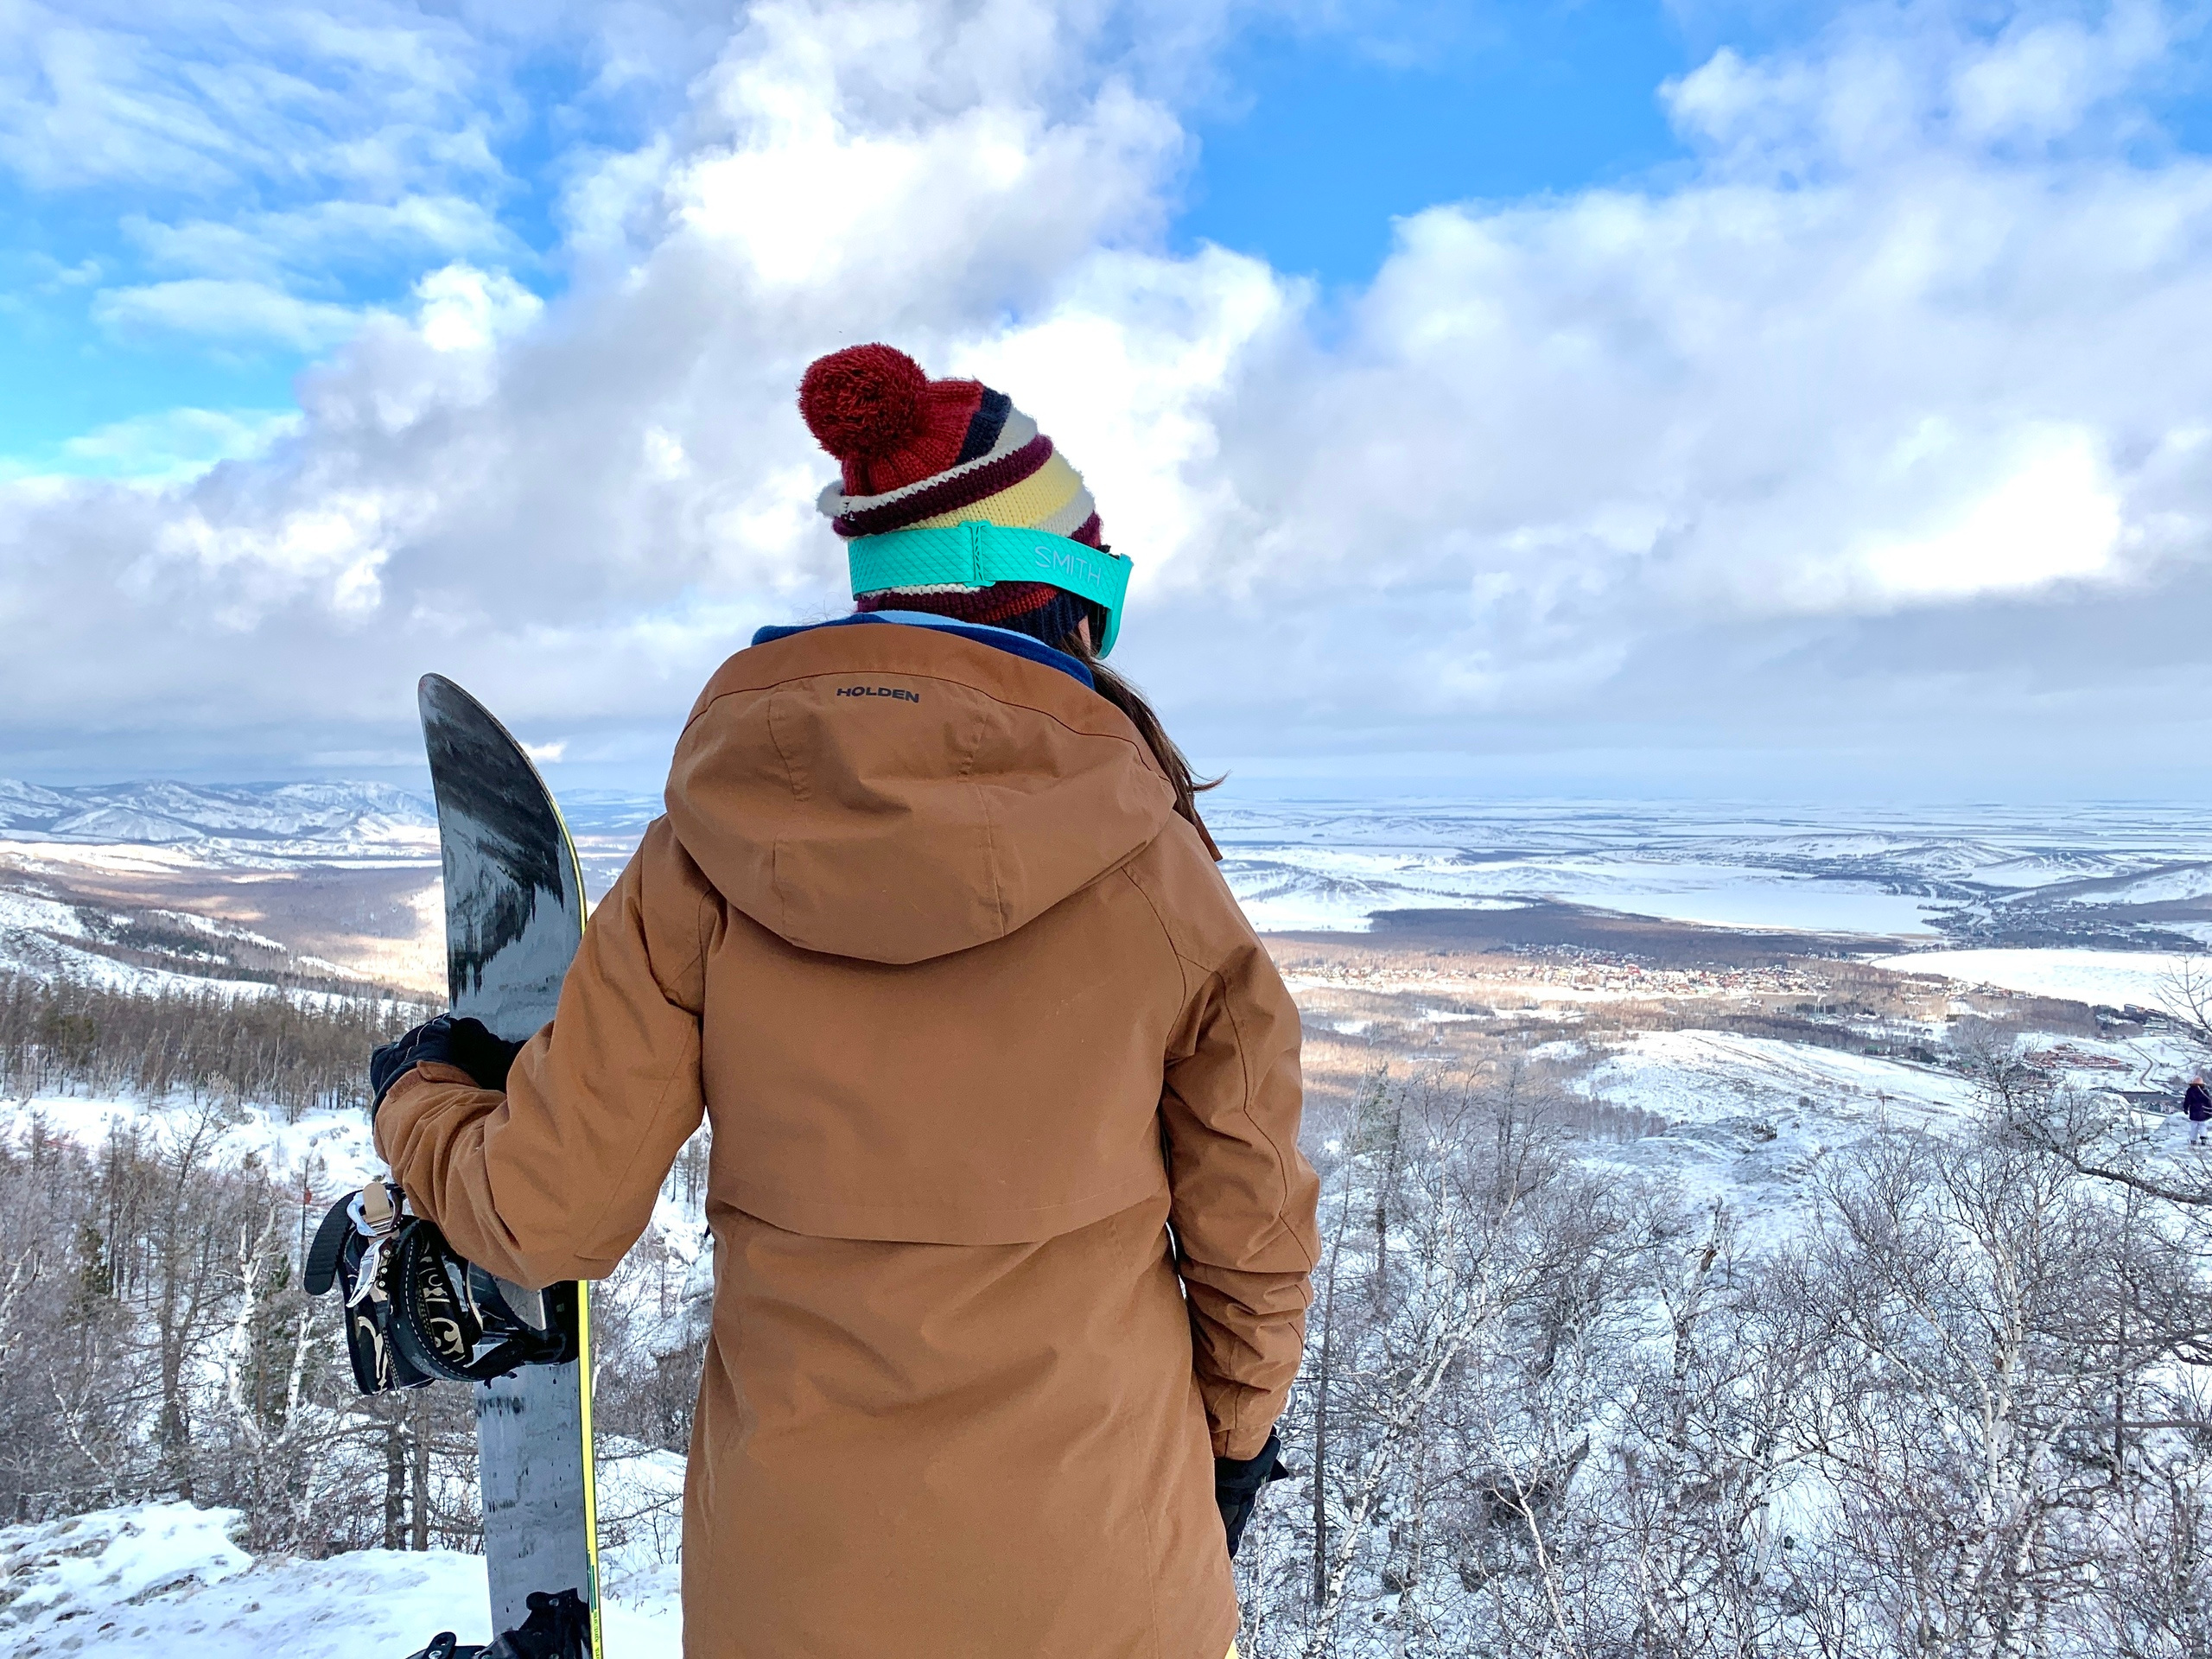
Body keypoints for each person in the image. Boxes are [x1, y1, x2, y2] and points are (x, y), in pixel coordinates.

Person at [369, 344, 1322, 1659]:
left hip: (795, 1584)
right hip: (1104, 1567)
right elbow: (1252, 1237)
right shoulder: (1162, 879)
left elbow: (546, 1213)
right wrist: (1226, 1450)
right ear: (1064, 600)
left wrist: (420, 1097)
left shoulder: (706, 848)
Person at [2187, 1073, 2211, 1147]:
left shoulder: (2190, 1091)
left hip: (2193, 1111)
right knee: (2203, 1125)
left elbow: (2187, 1100)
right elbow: (2208, 1101)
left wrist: (2185, 1108)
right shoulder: (2204, 1091)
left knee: (2194, 1126)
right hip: (2203, 1111)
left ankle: (2193, 1140)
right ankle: (2203, 1138)